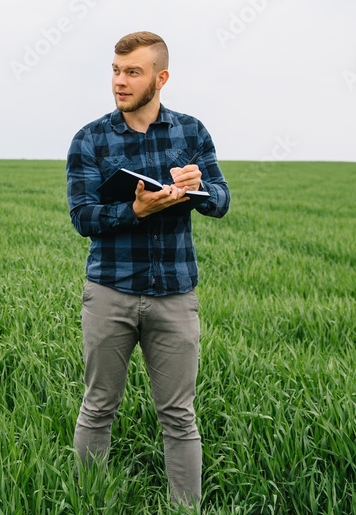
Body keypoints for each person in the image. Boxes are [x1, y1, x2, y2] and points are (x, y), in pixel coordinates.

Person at [66, 31, 231, 506]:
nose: (120, 82)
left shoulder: (191, 132)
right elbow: (83, 217)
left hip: (175, 295)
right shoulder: (91, 138)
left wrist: (200, 187)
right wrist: (135, 212)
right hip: (110, 293)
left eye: (132, 72)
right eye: (116, 71)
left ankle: (186, 508)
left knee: (179, 415)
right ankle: (89, 501)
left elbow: (221, 201)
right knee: (98, 408)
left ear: (161, 78)